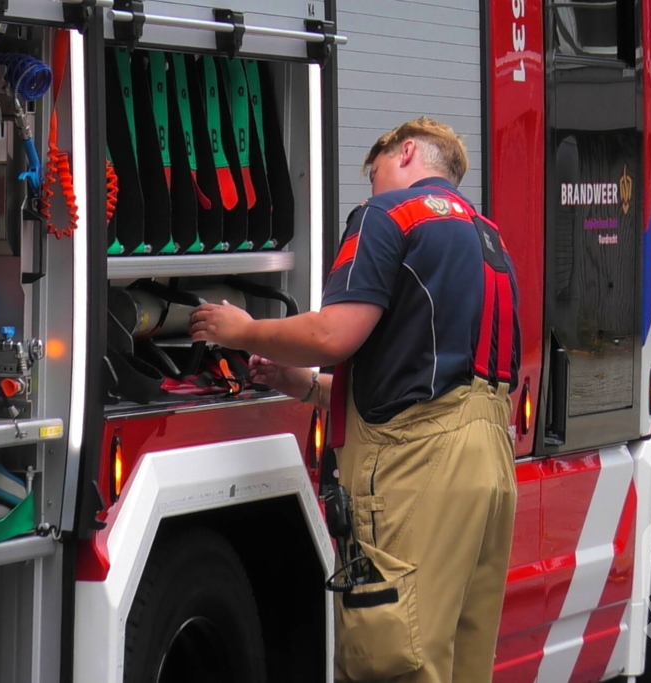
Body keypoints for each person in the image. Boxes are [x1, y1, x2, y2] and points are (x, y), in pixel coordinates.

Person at [189, 117, 520, 683]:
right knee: (458, 663)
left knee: (396, 654)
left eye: (375, 171)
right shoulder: (488, 236)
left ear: (408, 151)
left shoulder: (388, 216)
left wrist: (240, 330)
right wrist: (305, 387)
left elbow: (332, 336)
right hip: (489, 463)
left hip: (421, 474)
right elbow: (427, 377)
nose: (370, 188)